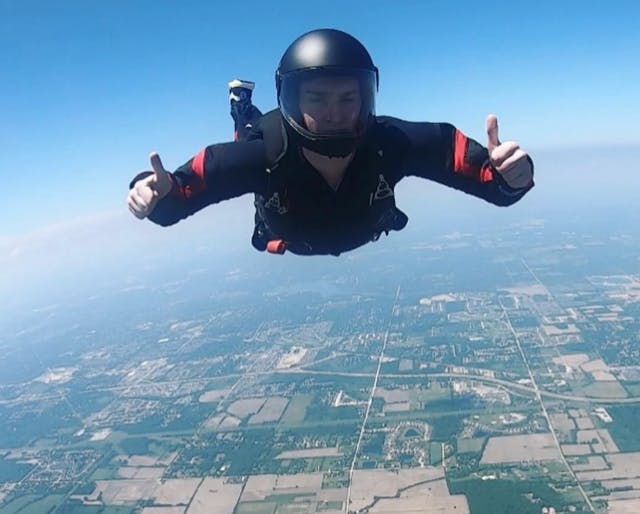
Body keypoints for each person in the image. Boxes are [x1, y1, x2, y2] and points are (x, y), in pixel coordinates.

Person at [127, 28, 534, 256]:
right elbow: (177, 192)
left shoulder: (391, 142)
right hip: (285, 221)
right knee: (249, 133)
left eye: (348, 98)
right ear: (291, 100)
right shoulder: (259, 155)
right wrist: (150, 192)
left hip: (337, 228)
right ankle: (242, 109)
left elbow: (488, 179)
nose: (335, 113)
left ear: (367, 97)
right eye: (316, 99)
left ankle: (244, 107)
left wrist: (512, 175)